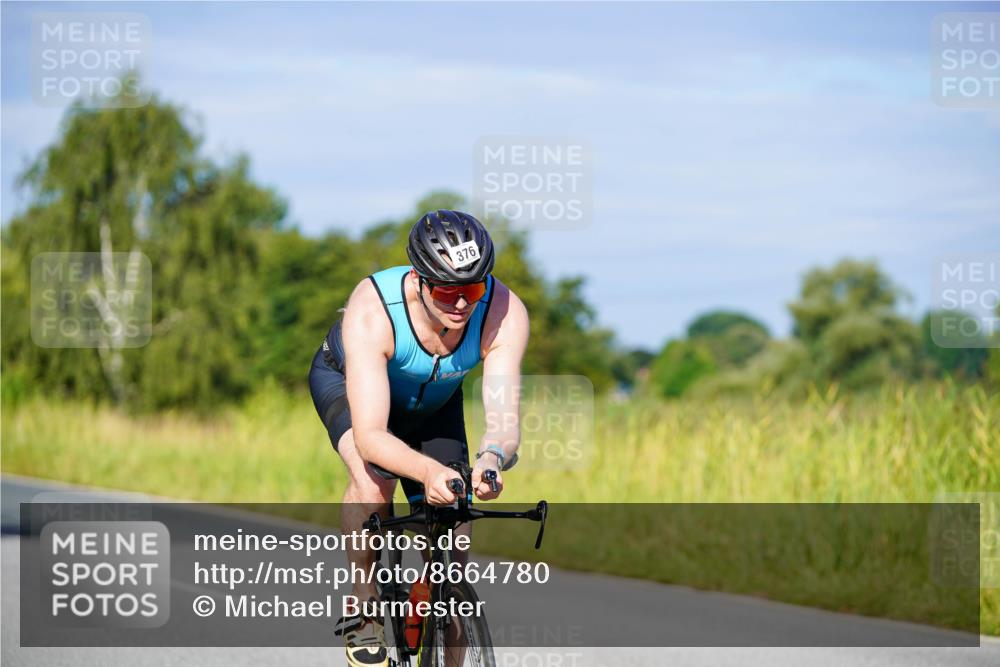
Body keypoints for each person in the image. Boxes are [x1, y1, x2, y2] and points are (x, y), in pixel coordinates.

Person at [308, 209, 529, 667]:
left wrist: (491, 458)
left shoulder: (504, 312)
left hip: (434, 403)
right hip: (354, 391)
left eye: (472, 289)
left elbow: (505, 421)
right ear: (418, 279)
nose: (462, 305)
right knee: (374, 482)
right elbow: (370, 436)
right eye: (448, 290)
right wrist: (429, 471)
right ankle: (366, 608)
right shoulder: (375, 310)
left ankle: (437, 619)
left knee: (455, 531)